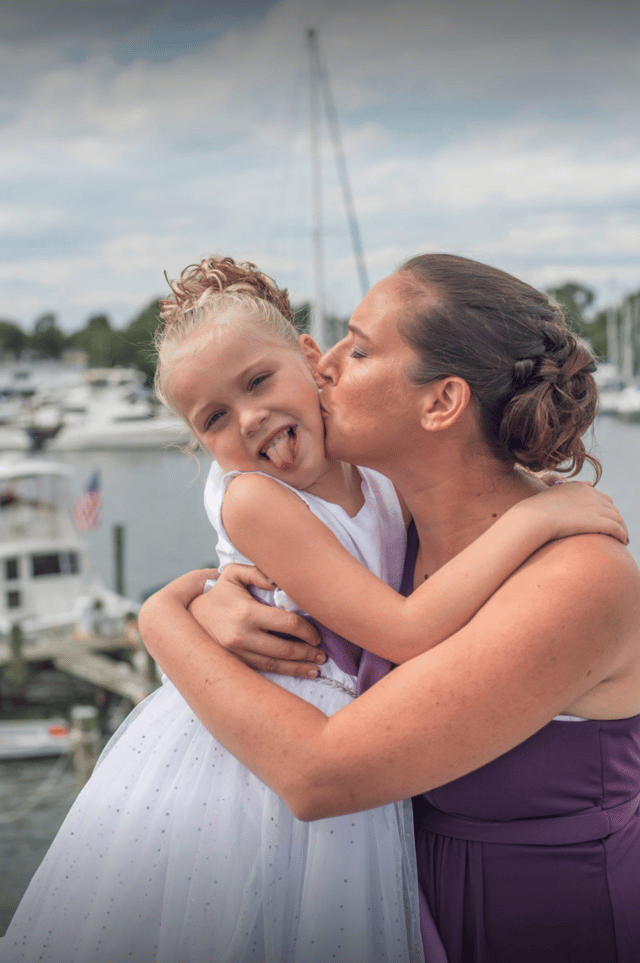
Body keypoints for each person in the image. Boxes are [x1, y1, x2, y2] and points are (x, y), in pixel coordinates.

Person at [0, 258, 623, 963]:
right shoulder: (408, 524)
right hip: (403, 896)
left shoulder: (575, 574)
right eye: (212, 416)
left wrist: (165, 621)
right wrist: (197, 598)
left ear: (442, 402)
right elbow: (330, 581)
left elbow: (319, 771)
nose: (324, 363)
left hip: (556, 927)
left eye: (356, 348)